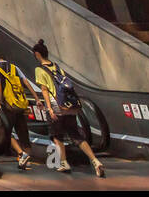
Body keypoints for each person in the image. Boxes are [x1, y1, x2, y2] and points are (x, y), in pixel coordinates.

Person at [32, 39, 106, 177]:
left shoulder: (40, 70)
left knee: (56, 135)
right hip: (69, 106)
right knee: (76, 135)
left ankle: (64, 163)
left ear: (37, 54)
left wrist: (49, 109)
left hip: (56, 105)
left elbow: (45, 90)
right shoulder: (57, 67)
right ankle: (95, 161)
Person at [0, 49, 33, 170]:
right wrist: (36, 98)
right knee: (23, 133)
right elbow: (26, 82)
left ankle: (21, 154)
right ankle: (27, 161)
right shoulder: (14, 67)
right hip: (20, 103)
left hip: (8, 105)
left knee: (6, 131)